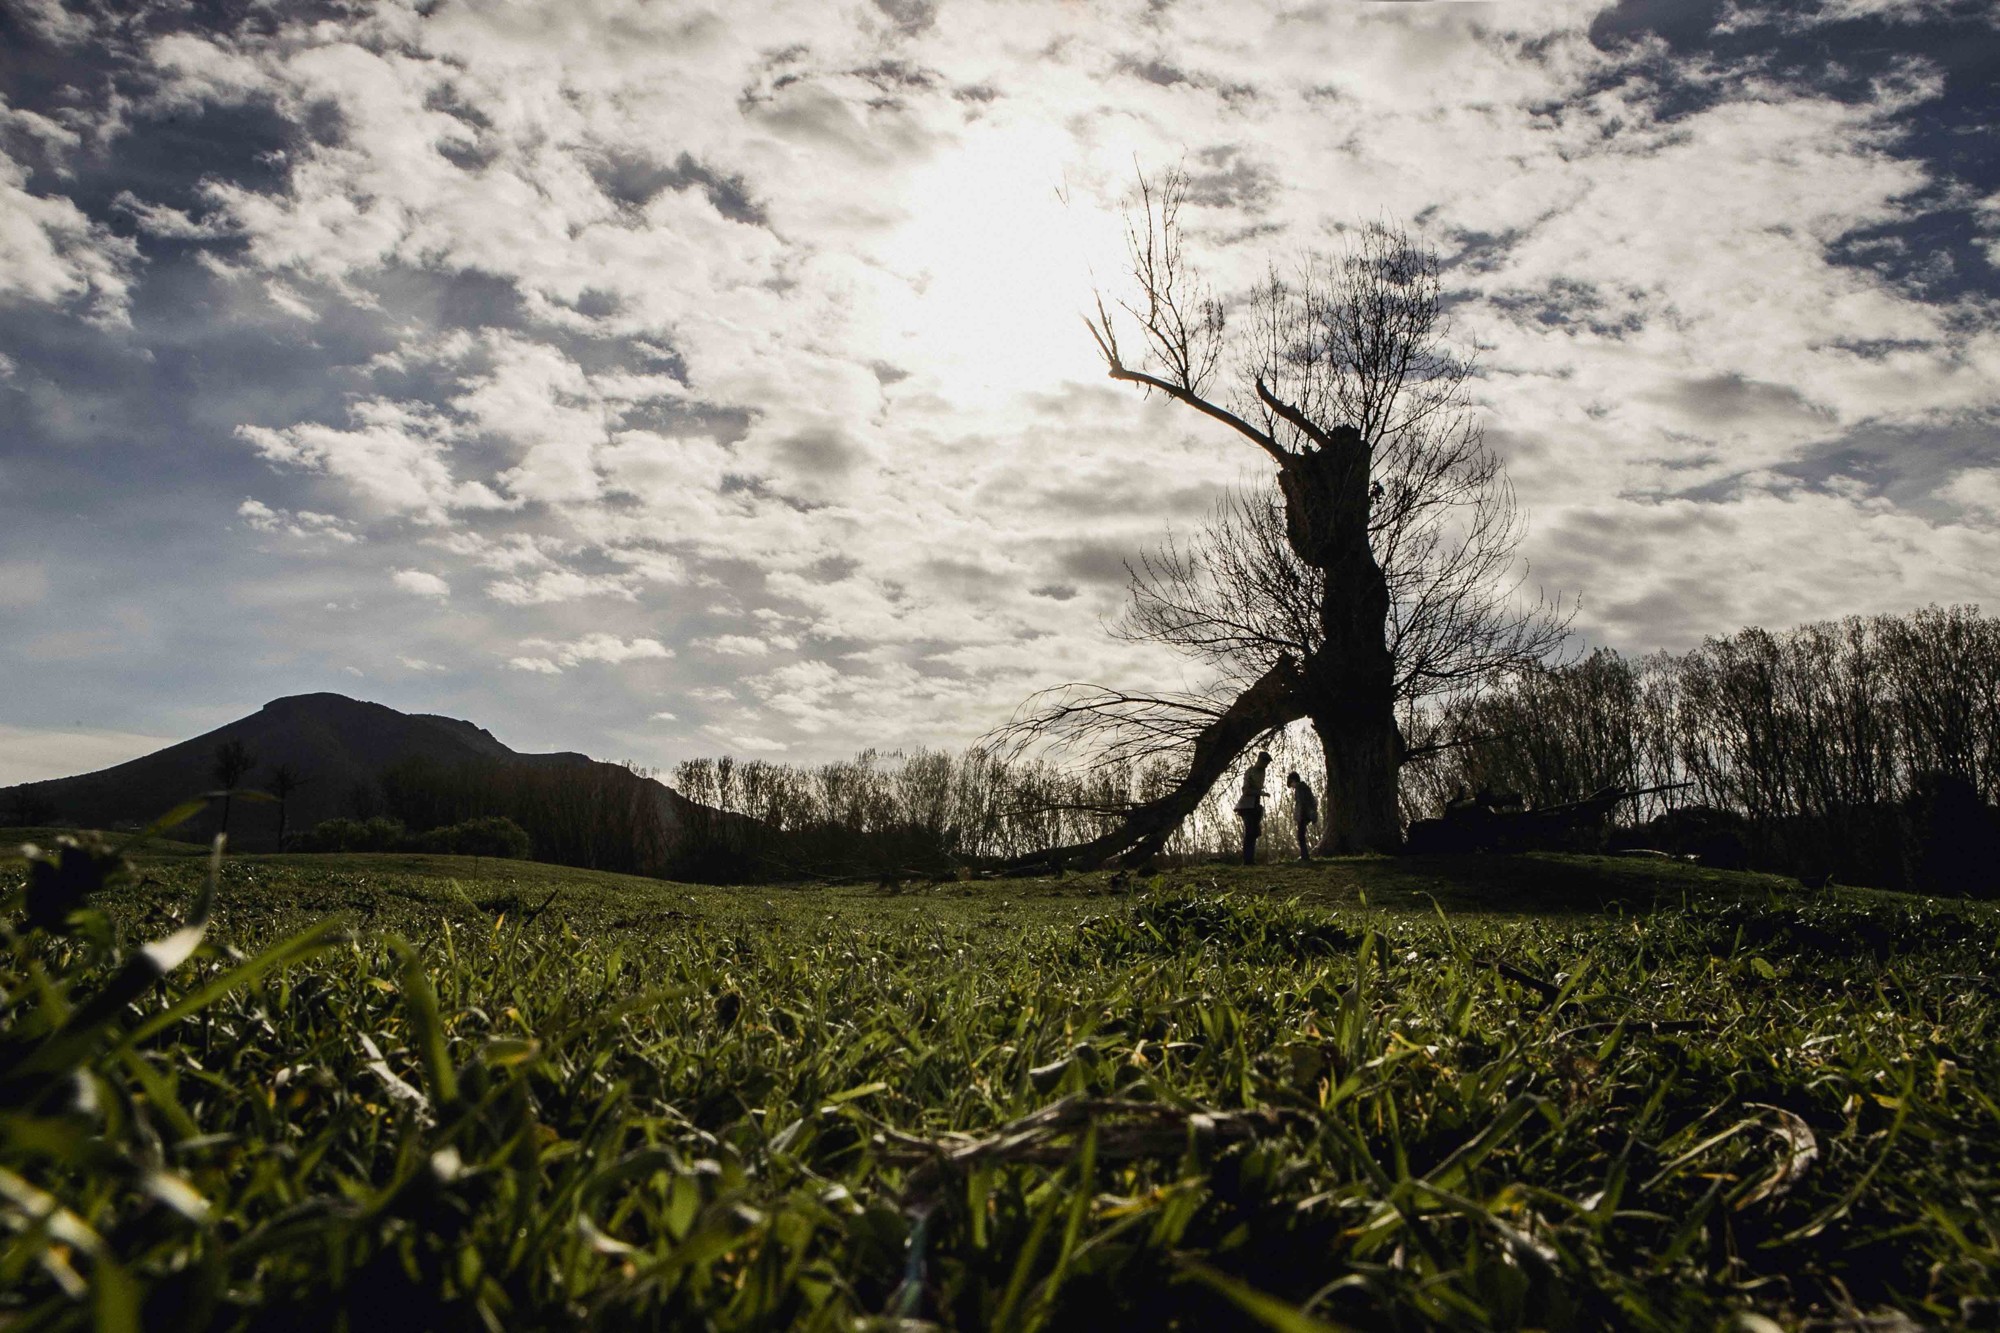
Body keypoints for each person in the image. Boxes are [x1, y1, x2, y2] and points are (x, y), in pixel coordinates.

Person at [1235, 750, 1273, 865]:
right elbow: (1246, 790)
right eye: (1265, 762)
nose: (1266, 765)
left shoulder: (1263, 772)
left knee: (1255, 832)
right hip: (1247, 805)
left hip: (1256, 804)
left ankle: (1250, 859)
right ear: (1260, 760)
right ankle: (1247, 860)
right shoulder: (1250, 771)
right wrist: (1260, 793)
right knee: (1250, 832)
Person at [1286, 770, 1319, 860]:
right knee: (1301, 835)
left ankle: (1305, 856)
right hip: (1306, 814)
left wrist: (1300, 816)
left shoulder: (1300, 788)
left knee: (1300, 836)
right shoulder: (1304, 787)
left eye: (1291, 784)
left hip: (1303, 814)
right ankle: (1305, 855)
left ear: (1293, 781)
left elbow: (1302, 803)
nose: (1292, 787)